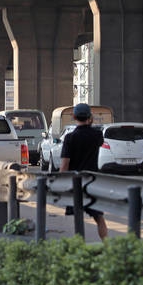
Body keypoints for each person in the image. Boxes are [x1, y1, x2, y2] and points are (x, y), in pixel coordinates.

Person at [59, 103, 109, 241]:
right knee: (99, 218)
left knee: (78, 217)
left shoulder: (69, 138)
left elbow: (64, 165)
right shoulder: (97, 135)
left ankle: (80, 248)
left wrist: (60, 183)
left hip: (75, 184)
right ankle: (107, 246)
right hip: (92, 182)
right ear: (90, 117)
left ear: (74, 117)